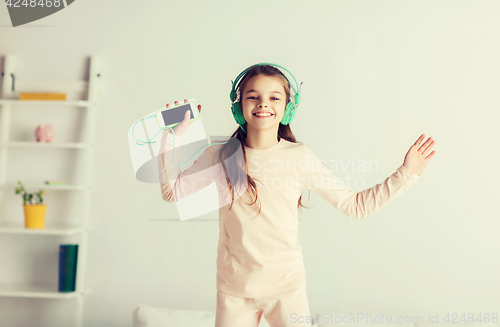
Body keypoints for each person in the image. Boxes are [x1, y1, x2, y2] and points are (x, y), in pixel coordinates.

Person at [157, 64, 437, 327]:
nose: (263, 103)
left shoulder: (298, 157)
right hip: (234, 289)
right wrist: (172, 137)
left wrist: (406, 173)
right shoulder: (221, 154)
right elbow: (173, 191)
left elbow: (355, 206)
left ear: (288, 109)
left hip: (286, 288)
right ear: (239, 107)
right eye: (253, 97)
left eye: (274, 98)